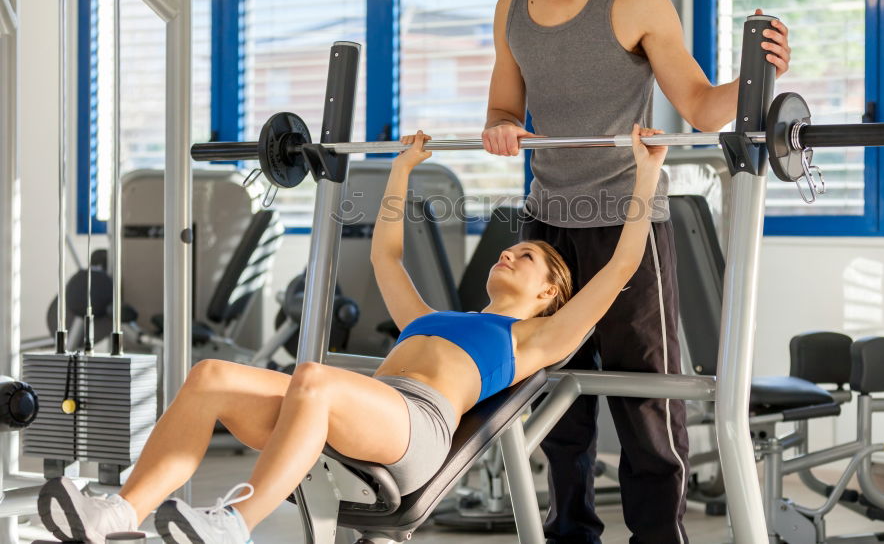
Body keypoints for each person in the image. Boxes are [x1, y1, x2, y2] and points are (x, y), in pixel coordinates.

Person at [35, 125, 668, 544]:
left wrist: (645, 174)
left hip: (414, 432)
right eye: (511, 251)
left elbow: (617, 271)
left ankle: (234, 523)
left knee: (313, 378)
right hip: (353, 415)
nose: (509, 255)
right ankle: (118, 513)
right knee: (211, 377)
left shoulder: (534, 340)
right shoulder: (431, 319)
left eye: (527, 258)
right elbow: (385, 258)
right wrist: (401, 169)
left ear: (548, 295)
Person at [478, 0, 792, 542]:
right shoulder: (511, 11)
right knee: (555, 402)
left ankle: (657, 538)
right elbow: (502, 110)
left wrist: (760, 78)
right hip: (547, 228)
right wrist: (503, 128)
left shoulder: (636, 0)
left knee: (648, 404)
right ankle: (570, 534)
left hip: (628, 223)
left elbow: (704, 108)